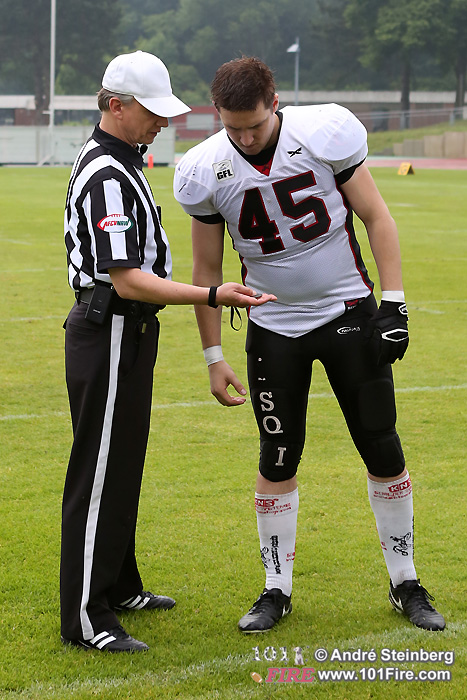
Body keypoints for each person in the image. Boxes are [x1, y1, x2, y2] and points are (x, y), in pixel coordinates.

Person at [173, 56, 445, 634]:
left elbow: (376, 216)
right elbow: (206, 272)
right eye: (232, 127)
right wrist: (213, 356)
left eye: (255, 125)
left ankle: (406, 581)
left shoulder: (322, 134)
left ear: (275, 104)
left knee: (381, 444)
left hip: (347, 312)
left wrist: (394, 303)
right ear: (216, 113)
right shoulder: (204, 168)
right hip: (273, 326)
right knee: (277, 454)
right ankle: (276, 589)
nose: (245, 138)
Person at [60, 50, 275, 653]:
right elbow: (127, 279)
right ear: (115, 105)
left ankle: (119, 585)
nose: (163, 122)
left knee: (123, 465)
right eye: (151, 111)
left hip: (127, 331)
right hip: (109, 327)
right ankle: (86, 617)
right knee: (99, 475)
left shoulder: (123, 160)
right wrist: (211, 292)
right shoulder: (106, 172)